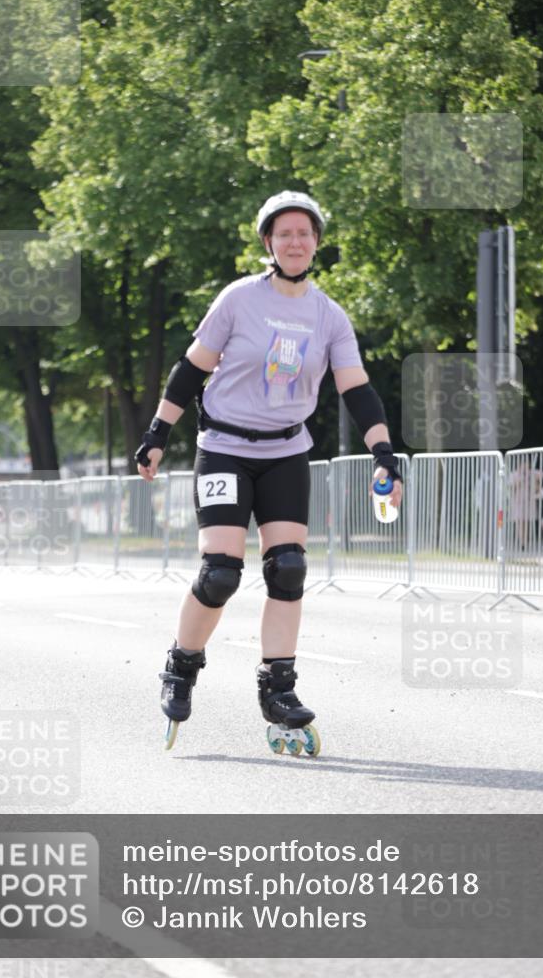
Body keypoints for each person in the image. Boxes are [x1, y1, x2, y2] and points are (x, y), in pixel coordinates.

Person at [135, 190, 403, 755]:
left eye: (305, 233)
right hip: (225, 448)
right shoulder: (238, 300)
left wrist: (384, 451)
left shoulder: (329, 315)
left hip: (285, 452)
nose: (296, 241)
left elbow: (356, 388)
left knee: (288, 569)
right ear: (268, 243)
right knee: (221, 574)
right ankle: (181, 666)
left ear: (316, 243)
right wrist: (157, 435)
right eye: (284, 233)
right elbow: (191, 370)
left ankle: (277, 691)